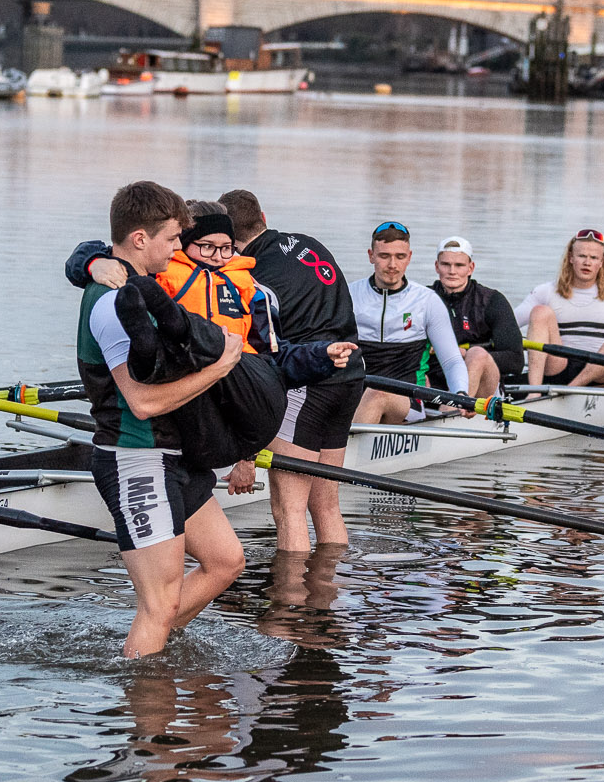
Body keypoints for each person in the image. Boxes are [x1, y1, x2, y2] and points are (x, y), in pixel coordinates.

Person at [67, 201, 356, 497]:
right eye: (207, 247)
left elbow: (274, 360)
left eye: (227, 248)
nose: (218, 257)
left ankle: (179, 327)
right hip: (194, 406)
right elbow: (112, 252)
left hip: (246, 404)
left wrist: (321, 355)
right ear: (183, 244)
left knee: (216, 344)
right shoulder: (163, 270)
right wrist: (92, 262)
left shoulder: (251, 291)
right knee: (170, 347)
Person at [76, 181, 247, 657]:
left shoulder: (137, 289)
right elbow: (142, 402)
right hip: (134, 456)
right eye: (172, 239)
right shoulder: (112, 302)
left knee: (226, 561)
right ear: (138, 239)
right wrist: (220, 368)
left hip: (171, 455)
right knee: (158, 603)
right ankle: (146, 720)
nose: (178, 249)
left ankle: (151, 645)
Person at [219, 189, 365, 555]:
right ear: (263, 218)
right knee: (325, 504)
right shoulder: (306, 242)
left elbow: (262, 360)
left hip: (308, 386)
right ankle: (325, 601)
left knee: (289, 510)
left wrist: (246, 456)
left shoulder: (248, 279)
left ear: (226, 241)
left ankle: (289, 606)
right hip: (351, 375)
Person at [350, 222, 470, 424]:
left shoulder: (427, 301)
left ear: (410, 257)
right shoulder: (349, 296)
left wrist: (461, 393)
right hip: (353, 398)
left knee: (377, 393)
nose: (392, 265)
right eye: (384, 256)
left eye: (400, 256)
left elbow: (451, 361)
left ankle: (342, 451)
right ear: (371, 255)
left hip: (406, 402)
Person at [514, 229, 604, 388]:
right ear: (571, 258)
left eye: (593, 258)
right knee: (540, 312)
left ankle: (572, 389)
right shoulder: (545, 291)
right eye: (582, 256)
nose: (587, 262)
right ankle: (534, 391)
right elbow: (509, 324)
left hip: (602, 370)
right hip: (558, 367)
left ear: (601, 263)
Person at [428, 237, 523, 396]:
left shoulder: (492, 301)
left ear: (470, 268)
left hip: (481, 384)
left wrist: (466, 354)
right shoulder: (422, 299)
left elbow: (515, 360)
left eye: (459, 265)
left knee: (477, 355)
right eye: (446, 265)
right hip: (434, 381)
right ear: (437, 267)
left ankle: (454, 408)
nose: (452, 271)